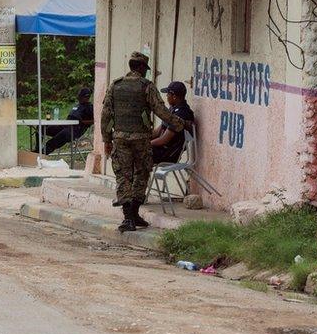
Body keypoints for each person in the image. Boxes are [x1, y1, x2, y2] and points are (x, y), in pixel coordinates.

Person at [100, 52, 184, 233]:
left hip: (120, 139)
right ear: (140, 67)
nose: (145, 73)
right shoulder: (147, 86)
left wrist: (106, 140)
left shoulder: (115, 85)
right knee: (140, 174)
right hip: (141, 140)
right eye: (145, 69)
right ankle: (133, 215)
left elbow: (106, 114)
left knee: (123, 176)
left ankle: (129, 217)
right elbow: (160, 110)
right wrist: (178, 124)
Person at [35, 88, 94, 155]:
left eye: (80, 97)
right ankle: (37, 149)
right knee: (41, 127)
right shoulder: (77, 105)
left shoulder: (89, 108)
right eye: (78, 96)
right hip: (65, 126)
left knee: (63, 135)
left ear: (86, 97)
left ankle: (42, 153)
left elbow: (94, 121)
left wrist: (81, 122)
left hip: (75, 131)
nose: (78, 98)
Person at [152, 81, 196, 165]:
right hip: (161, 150)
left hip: (167, 154)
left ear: (174, 96)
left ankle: (137, 178)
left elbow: (164, 140)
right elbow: (158, 131)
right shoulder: (173, 109)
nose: (166, 96)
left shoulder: (182, 113)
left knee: (136, 154)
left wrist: (145, 144)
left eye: (168, 94)